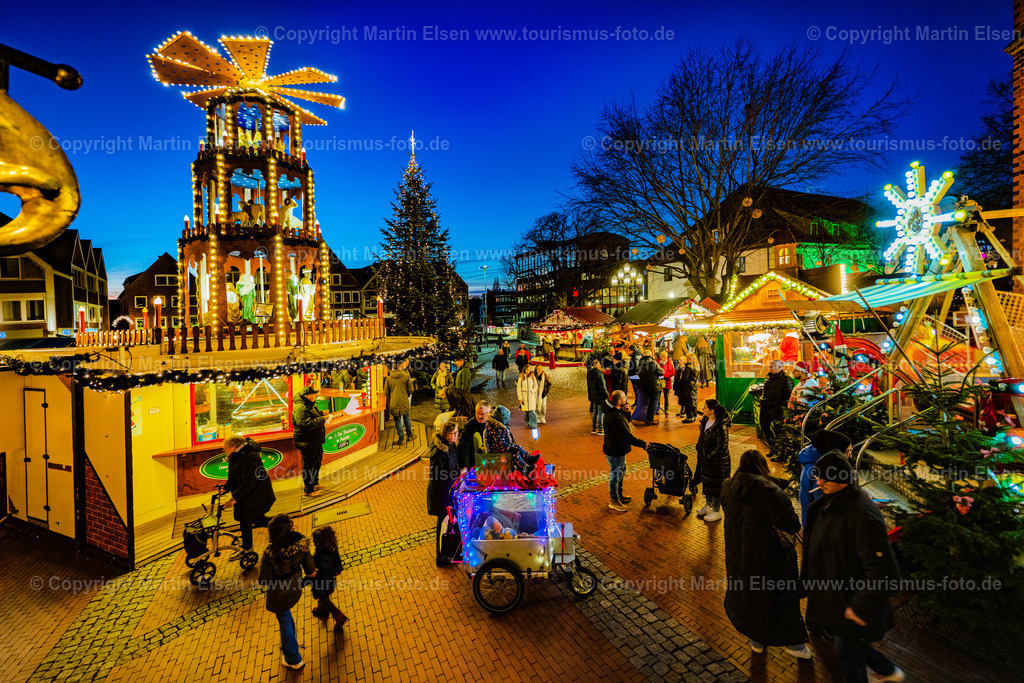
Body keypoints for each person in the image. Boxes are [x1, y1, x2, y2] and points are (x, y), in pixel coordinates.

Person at [802, 451, 904, 683]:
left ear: (843, 479)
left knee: (849, 657)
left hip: (851, 604)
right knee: (851, 649)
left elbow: (884, 571)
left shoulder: (863, 515)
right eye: (818, 476)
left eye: (825, 478)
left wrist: (859, 608)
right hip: (836, 601)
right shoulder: (825, 506)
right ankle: (889, 672)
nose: (818, 482)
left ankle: (889, 672)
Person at [722, 449, 810, 658]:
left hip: (739, 554)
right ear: (763, 467)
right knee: (781, 599)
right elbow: (791, 525)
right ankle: (795, 645)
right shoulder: (771, 494)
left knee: (749, 598)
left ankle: (756, 641)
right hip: (770, 558)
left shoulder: (727, 488)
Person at [258, 514, 316, 670]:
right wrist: (311, 572)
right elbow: (309, 564)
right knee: (286, 616)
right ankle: (289, 642)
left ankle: (293, 658)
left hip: (279, 593)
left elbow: (264, 580)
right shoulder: (300, 543)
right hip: (295, 586)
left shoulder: (270, 552)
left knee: (283, 619)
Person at [224, 436, 276, 555]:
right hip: (250, 496)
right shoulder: (238, 455)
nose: (224, 451)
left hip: (256, 495)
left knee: (249, 519)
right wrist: (227, 487)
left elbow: (250, 481)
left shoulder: (247, 457)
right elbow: (235, 475)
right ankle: (247, 547)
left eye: (225, 448)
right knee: (250, 519)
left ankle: (248, 547)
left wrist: (234, 498)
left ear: (233, 447)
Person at [602, 390, 648, 513]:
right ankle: (614, 500)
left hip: (618, 449)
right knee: (615, 475)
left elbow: (627, 421)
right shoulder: (614, 416)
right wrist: (643, 444)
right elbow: (626, 436)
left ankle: (619, 494)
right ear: (619, 401)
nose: (626, 399)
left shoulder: (617, 411)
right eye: (624, 398)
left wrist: (627, 412)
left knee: (621, 471)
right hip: (615, 450)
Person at [798, 430, 852, 528]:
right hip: (819, 526)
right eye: (848, 452)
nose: (850, 455)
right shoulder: (821, 472)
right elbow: (827, 506)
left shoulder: (813, 463)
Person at [427, 420, 462, 565]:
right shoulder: (439, 452)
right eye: (452, 433)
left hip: (448, 492)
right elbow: (437, 476)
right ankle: (440, 557)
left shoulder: (450, 446)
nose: (455, 436)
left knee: (449, 523)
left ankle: (450, 552)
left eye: (456, 433)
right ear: (445, 434)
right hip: (440, 494)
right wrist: (456, 473)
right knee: (443, 524)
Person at [694, 399, 731, 522]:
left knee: (716, 486)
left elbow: (722, 447)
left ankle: (716, 510)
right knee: (708, 483)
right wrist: (699, 447)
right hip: (706, 460)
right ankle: (708, 505)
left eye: (705, 407)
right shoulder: (705, 420)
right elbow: (702, 437)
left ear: (712, 411)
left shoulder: (721, 425)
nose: (702, 409)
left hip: (718, 463)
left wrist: (709, 457)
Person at [292, 385, 333, 497]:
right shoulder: (301, 408)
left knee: (316, 462)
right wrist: (322, 419)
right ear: (307, 396)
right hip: (307, 441)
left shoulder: (309, 405)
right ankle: (308, 490)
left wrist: (321, 413)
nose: (316, 395)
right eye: (313, 394)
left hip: (315, 440)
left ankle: (315, 483)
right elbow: (305, 425)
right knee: (308, 466)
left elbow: (311, 417)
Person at [310, 525, 347, 632]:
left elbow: (314, 572)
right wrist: (338, 569)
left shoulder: (317, 556)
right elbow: (337, 560)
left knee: (324, 598)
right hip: (330, 579)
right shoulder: (333, 547)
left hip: (321, 584)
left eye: (315, 541)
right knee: (324, 597)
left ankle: (339, 616)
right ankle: (322, 608)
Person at [484, 405, 538, 474]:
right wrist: (510, 448)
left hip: (504, 447)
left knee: (518, 448)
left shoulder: (500, 427)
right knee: (514, 453)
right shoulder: (497, 430)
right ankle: (523, 468)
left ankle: (529, 458)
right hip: (498, 451)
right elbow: (500, 445)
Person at [759, 360, 794, 448]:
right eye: (770, 365)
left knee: (779, 430)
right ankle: (773, 446)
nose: (770, 367)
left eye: (773, 365)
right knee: (764, 426)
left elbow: (788, 397)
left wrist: (779, 407)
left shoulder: (786, 379)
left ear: (780, 367)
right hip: (765, 407)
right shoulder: (768, 376)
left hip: (777, 410)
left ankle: (780, 450)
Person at [385, 359, 415, 445]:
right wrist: (406, 395)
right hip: (404, 400)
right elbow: (411, 389)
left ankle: (401, 439)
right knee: (406, 418)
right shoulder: (406, 376)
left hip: (394, 402)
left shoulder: (389, 378)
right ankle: (410, 436)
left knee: (397, 420)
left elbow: (385, 392)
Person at [456, 400, 491, 470]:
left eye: (482, 414)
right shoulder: (469, 426)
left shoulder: (494, 425)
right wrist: (464, 466)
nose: (479, 416)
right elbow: (464, 447)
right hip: (474, 464)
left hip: (491, 462)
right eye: (477, 413)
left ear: (489, 413)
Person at [637, 349, 662, 425]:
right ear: (650, 355)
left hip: (645, 385)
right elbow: (661, 372)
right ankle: (650, 419)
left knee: (649, 402)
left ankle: (648, 418)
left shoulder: (640, 363)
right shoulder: (653, 362)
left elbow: (638, 373)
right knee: (653, 402)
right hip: (654, 385)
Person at [587, 357, 609, 435]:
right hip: (600, 396)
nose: (600, 366)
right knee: (601, 412)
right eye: (600, 365)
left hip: (593, 396)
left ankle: (594, 428)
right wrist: (606, 395)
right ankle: (600, 429)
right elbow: (603, 386)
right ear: (597, 365)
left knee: (595, 412)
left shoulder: (589, 373)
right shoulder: (599, 374)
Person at [674, 354, 699, 422]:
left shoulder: (688, 367)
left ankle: (689, 417)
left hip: (687, 386)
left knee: (688, 402)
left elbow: (685, 379)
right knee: (693, 400)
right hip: (694, 385)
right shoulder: (696, 366)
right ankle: (694, 415)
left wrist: (679, 383)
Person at [517, 366, 540, 430]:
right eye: (527, 369)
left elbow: (536, 386)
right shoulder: (521, 378)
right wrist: (520, 398)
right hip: (524, 396)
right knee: (526, 411)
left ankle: (533, 424)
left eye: (529, 369)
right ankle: (528, 422)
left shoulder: (532, 377)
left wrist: (532, 391)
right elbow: (518, 388)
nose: (528, 370)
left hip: (531, 396)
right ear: (524, 370)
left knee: (532, 411)